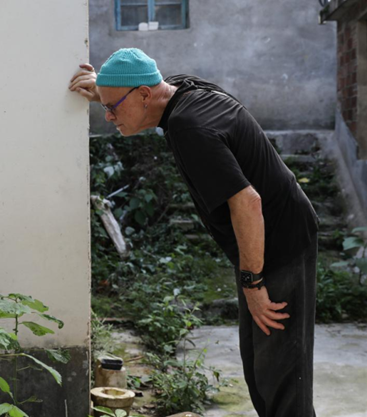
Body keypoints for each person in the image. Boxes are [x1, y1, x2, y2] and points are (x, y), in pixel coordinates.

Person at [70, 48, 318, 417]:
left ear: (144, 95)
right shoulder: (181, 91)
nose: (107, 116)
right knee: (260, 371)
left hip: (279, 243)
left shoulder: (189, 127)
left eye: (111, 107)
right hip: (265, 239)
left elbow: (247, 203)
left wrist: (253, 282)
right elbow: (144, 86)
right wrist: (106, 89)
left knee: (283, 379)